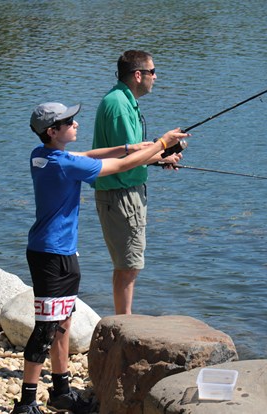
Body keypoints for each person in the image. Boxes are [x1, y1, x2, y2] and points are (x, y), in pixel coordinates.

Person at [11, 102, 188, 414]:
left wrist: (141, 150)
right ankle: (26, 403)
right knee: (45, 329)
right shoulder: (63, 164)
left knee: (63, 323)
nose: (77, 124)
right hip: (50, 256)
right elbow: (118, 168)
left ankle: (62, 390)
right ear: (53, 131)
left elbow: (92, 157)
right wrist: (161, 144)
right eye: (69, 121)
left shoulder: (42, 155)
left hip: (63, 253)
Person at [92, 50, 183, 315]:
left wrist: (159, 157)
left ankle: (123, 321)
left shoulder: (123, 99)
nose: (156, 77)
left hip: (124, 192)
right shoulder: (119, 105)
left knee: (127, 264)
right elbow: (129, 156)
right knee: (128, 265)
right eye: (153, 72)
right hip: (121, 195)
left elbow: (129, 152)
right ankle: (124, 325)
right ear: (138, 75)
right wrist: (162, 145)